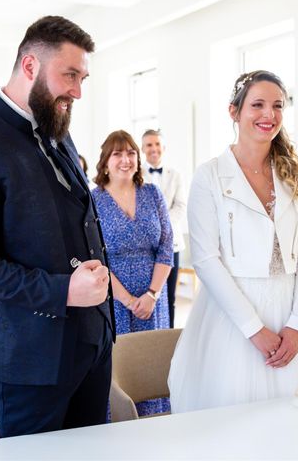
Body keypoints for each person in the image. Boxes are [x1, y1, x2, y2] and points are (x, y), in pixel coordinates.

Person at [0, 16, 115, 439]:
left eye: (83, 78)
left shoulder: (57, 127)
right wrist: (63, 291)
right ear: (30, 66)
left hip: (92, 343)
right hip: (30, 356)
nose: (77, 90)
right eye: (69, 75)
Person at [168, 70, 298, 413]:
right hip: (232, 317)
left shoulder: (294, 173)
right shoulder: (210, 175)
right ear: (234, 111)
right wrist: (254, 329)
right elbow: (205, 259)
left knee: (296, 421)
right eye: (257, 105)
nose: (268, 115)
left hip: (289, 308)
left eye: (277, 106)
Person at [92, 129, 172, 416]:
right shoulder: (94, 200)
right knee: (122, 369)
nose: (125, 159)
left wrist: (151, 294)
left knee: (152, 365)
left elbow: (165, 246)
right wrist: (126, 300)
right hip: (114, 298)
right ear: (105, 162)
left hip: (153, 298)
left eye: (130, 153)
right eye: (117, 154)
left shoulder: (152, 193)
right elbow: (95, 257)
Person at [141, 129, 186, 328]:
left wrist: (163, 227)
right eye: (149, 145)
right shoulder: (136, 174)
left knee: (170, 295)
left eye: (157, 144)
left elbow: (180, 206)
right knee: (150, 293)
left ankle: (168, 337)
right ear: (142, 149)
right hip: (146, 246)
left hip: (172, 244)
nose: (154, 149)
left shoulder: (175, 175)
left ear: (164, 148)